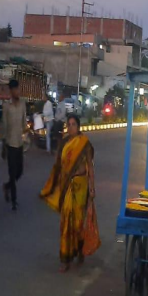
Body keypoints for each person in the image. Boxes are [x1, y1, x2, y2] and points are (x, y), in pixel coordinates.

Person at [41, 115, 100, 272]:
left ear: (79, 127)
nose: (71, 127)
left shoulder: (84, 143)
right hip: (68, 186)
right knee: (66, 219)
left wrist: (92, 187)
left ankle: (80, 250)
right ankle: (65, 259)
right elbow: (58, 166)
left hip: (81, 186)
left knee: (78, 222)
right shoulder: (65, 143)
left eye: (74, 124)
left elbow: (90, 167)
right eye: (69, 124)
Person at [1, 79, 27, 211]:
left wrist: (27, 136)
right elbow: (4, 125)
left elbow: (24, 124)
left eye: (19, 89)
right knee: (12, 172)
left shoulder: (23, 104)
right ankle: (14, 201)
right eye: (15, 89)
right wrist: (3, 144)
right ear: (11, 91)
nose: (18, 92)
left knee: (19, 172)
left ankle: (7, 186)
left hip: (19, 143)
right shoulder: (6, 106)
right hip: (10, 143)